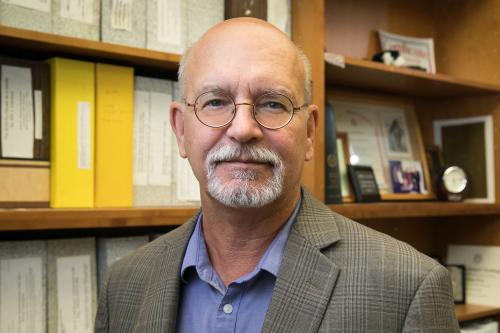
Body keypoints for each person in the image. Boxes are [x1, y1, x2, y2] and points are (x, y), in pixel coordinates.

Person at [95, 18, 459, 333]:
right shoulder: (124, 284)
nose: (242, 129)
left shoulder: (407, 288)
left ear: (311, 133)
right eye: (216, 101)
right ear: (181, 130)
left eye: (272, 103)